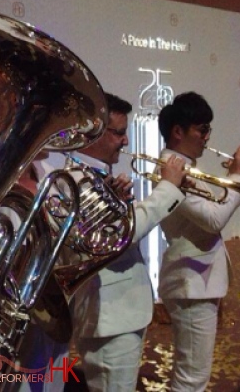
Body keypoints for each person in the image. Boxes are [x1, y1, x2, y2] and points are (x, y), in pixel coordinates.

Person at [34, 92, 187, 392]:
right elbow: (118, 239)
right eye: (119, 133)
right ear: (93, 132)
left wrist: (117, 202)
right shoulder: (70, 178)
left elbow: (108, 233)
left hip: (118, 314)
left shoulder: (92, 176)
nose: (126, 141)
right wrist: (167, 188)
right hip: (109, 315)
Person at [157, 91, 240, 391]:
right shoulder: (171, 168)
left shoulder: (182, 165)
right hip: (190, 282)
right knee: (191, 380)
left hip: (197, 281)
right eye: (202, 129)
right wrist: (239, 179)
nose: (207, 137)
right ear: (178, 131)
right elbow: (213, 220)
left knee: (194, 376)